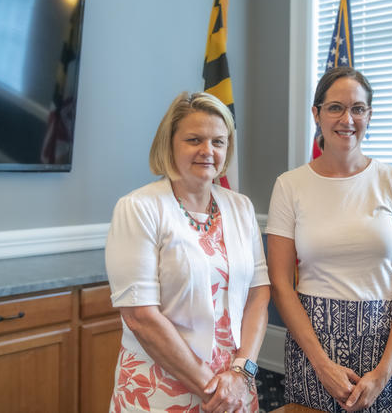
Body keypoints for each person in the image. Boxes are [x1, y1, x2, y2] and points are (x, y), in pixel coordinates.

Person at [266, 67, 392, 412]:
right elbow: (280, 284)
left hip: (387, 347)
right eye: (336, 107)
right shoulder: (289, 186)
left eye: (358, 108)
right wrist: (323, 366)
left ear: (369, 115)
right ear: (317, 114)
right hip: (313, 347)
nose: (347, 119)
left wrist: (384, 371)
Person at [106, 92, 270, 413]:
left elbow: (258, 294)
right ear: (170, 144)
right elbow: (141, 317)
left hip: (235, 385)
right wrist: (213, 388)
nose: (208, 151)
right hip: (160, 387)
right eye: (194, 139)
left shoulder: (241, 207)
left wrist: (240, 373)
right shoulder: (138, 208)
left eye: (218, 142)